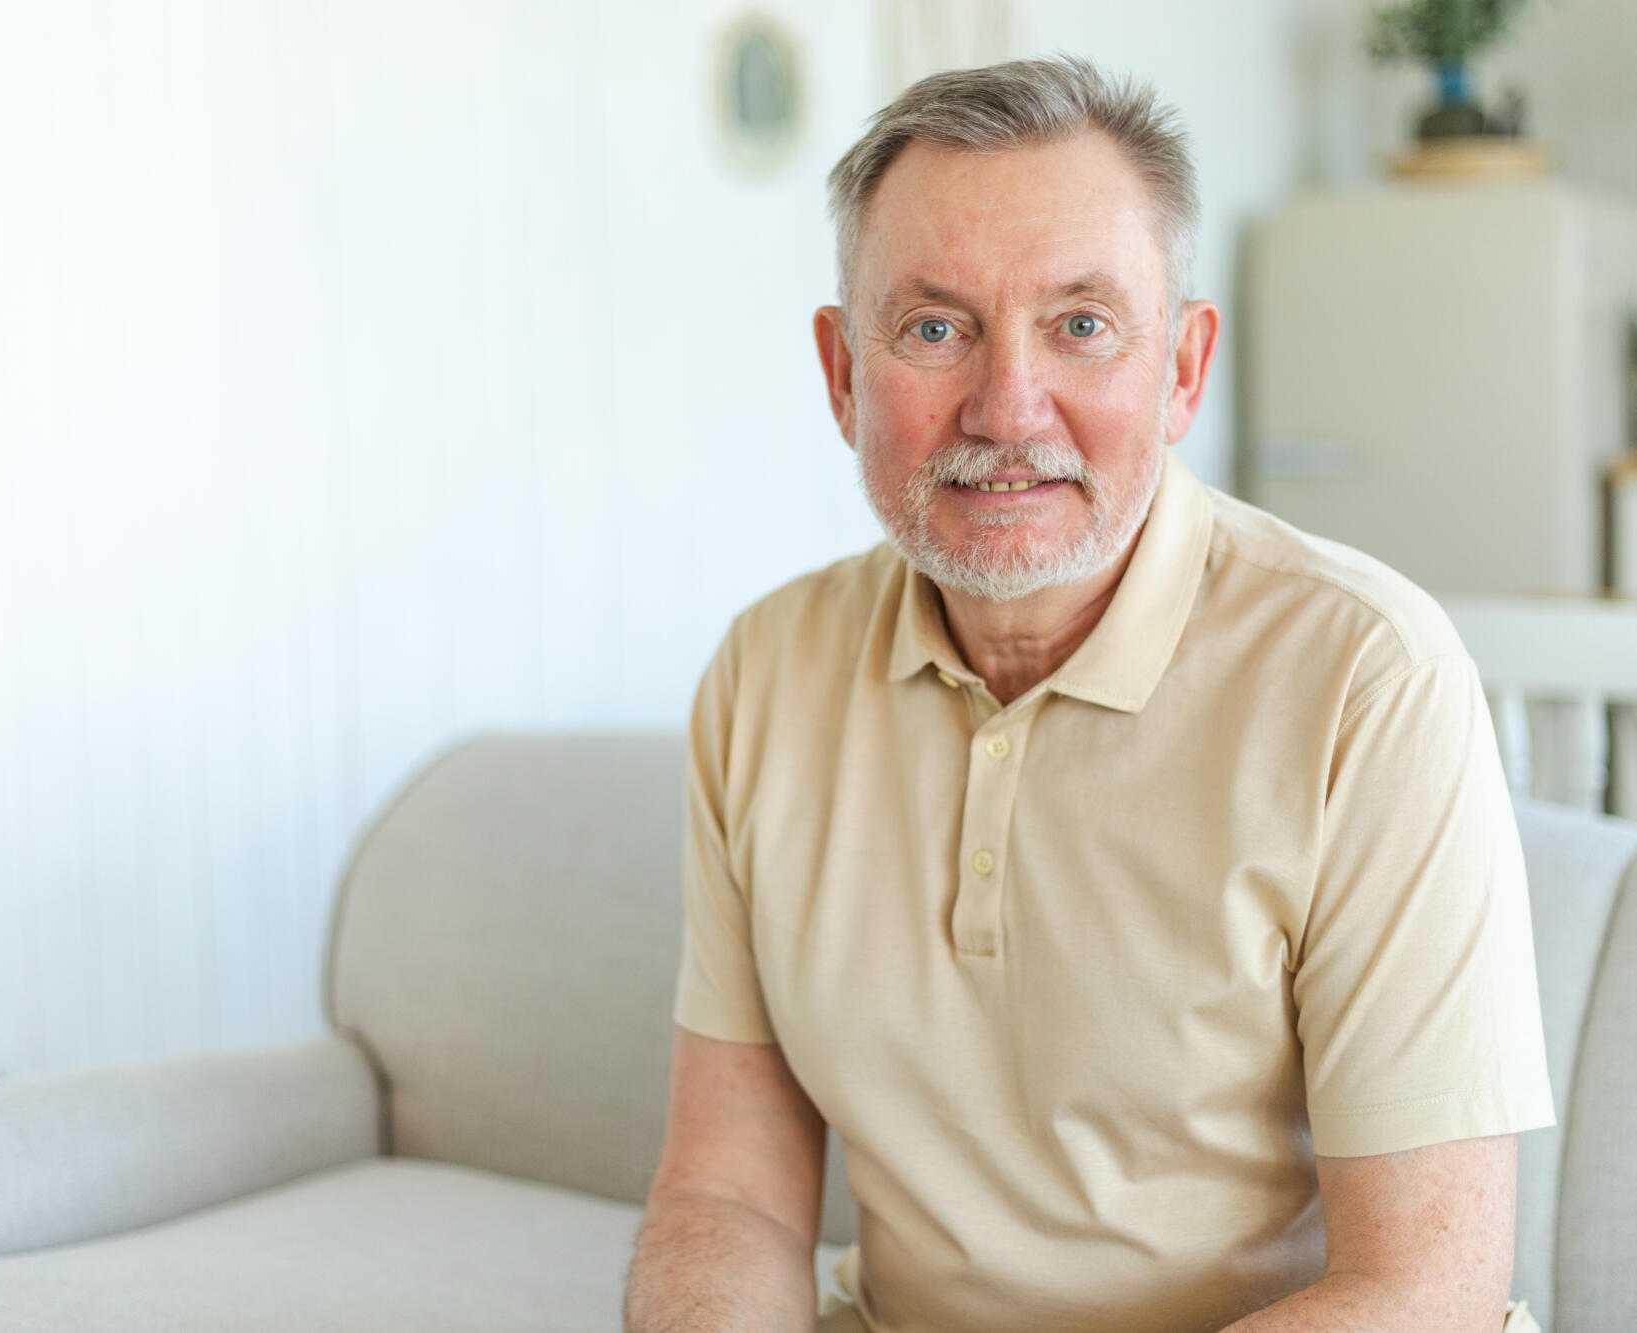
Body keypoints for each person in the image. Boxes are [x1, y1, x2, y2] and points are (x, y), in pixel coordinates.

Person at [624, 55, 1552, 1333]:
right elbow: (727, 1197)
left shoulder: (1367, 677)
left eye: (1079, 325)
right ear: (843, 376)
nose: (1007, 409)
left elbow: (1420, 1288)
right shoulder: (761, 674)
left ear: (1181, 369)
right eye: (935, 328)